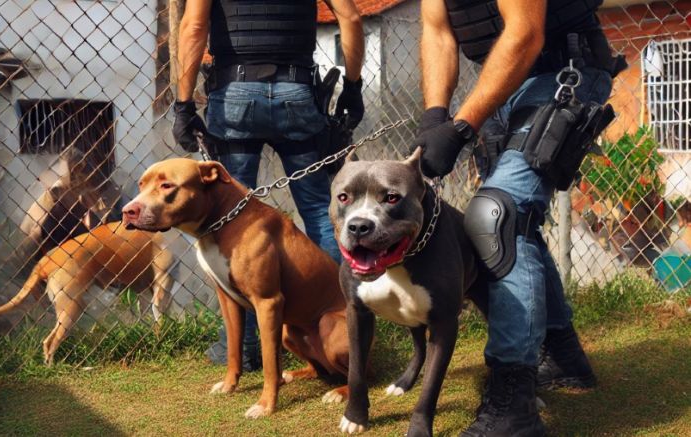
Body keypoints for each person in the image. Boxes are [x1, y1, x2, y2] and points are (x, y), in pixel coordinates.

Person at [414, 0, 624, 435]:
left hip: (565, 73)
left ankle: (514, 408)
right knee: (513, 225)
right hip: (504, 81)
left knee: (498, 216)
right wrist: (435, 117)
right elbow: (438, 32)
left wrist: (460, 128)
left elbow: (525, 32)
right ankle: (564, 356)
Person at [172, 0, 365, 371]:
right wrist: (353, 87)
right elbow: (351, 17)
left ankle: (244, 349)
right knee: (319, 214)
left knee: (230, 222)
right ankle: (342, 324)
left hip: (235, 95)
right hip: (297, 92)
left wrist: (183, 105)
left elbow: (193, 27)